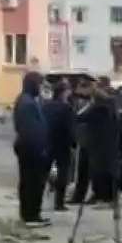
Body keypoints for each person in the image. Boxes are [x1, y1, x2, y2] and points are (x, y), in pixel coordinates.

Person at [13, 72, 50, 227]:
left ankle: (31, 213)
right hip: (31, 148)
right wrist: (40, 148)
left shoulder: (27, 100)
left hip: (28, 146)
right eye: (39, 84)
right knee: (32, 182)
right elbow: (31, 130)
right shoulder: (27, 103)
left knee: (30, 181)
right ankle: (31, 215)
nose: (41, 88)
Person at [78, 77, 120, 204]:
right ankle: (103, 195)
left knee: (100, 170)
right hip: (103, 142)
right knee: (101, 169)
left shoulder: (99, 107)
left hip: (100, 143)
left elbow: (80, 117)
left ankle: (103, 196)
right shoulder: (107, 105)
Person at [44, 80, 76, 212]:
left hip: (48, 142)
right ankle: (59, 203)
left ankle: (39, 197)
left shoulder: (46, 106)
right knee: (63, 173)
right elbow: (70, 127)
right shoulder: (67, 107)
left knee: (45, 170)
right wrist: (73, 142)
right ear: (63, 92)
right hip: (63, 144)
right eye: (67, 90)